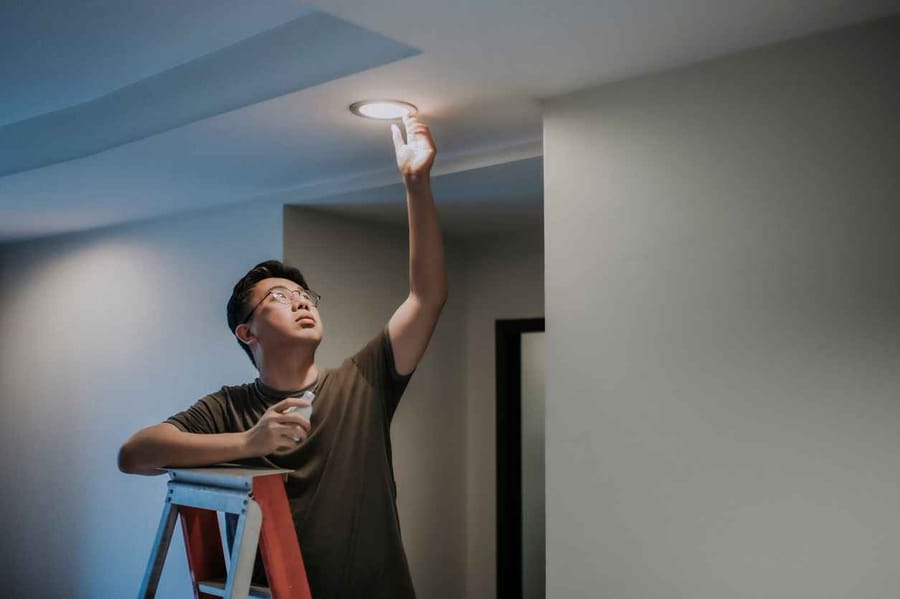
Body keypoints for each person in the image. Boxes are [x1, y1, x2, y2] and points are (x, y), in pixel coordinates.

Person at [118, 115, 447, 598]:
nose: (300, 301)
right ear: (246, 331)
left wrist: (416, 183)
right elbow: (134, 455)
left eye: (306, 295)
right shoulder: (228, 409)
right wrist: (248, 442)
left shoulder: (363, 380)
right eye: (278, 296)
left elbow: (427, 297)